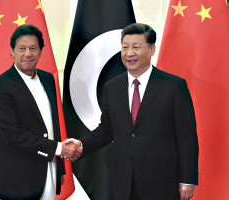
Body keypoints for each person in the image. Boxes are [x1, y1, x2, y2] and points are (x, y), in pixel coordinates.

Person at [65, 23, 199, 200]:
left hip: (162, 181)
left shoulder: (173, 86)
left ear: (151, 49)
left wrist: (187, 180)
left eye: (136, 47)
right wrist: (81, 145)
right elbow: (106, 130)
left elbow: (187, 137)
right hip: (124, 182)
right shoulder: (112, 87)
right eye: (125, 47)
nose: (129, 53)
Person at [0, 24, 78, 200]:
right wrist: (59, 149)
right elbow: (13, 134)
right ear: (12, 51)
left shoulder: (48, 78)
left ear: (40, 51)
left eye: (33, 48)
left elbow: (51, 124)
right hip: (16, 178)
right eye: (21, 48)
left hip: (49, 169)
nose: (27, 53)